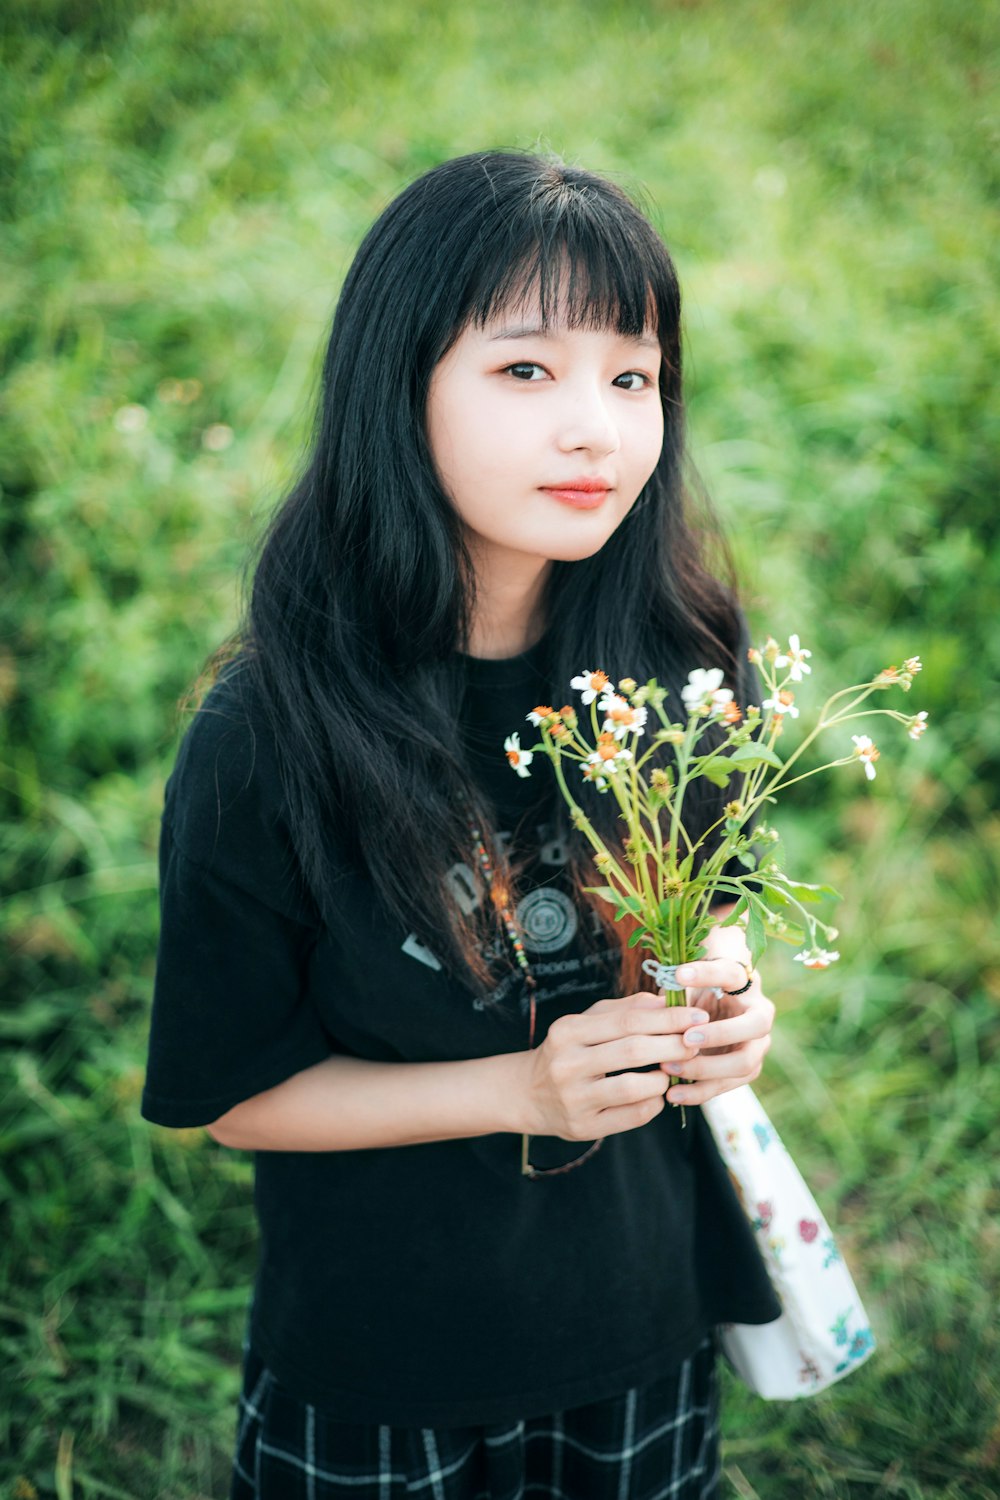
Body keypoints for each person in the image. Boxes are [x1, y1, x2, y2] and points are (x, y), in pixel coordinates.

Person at [142, 150, 781, 1500]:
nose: (596, 429)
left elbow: (711, 903)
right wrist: (520, 1089)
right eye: (525, 371)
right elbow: (238, 1099)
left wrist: (725, 993)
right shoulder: (268, 738)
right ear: (400, 385)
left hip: (641, 1324)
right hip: (384, 1367)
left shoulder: (676, 668)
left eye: (633, 377)